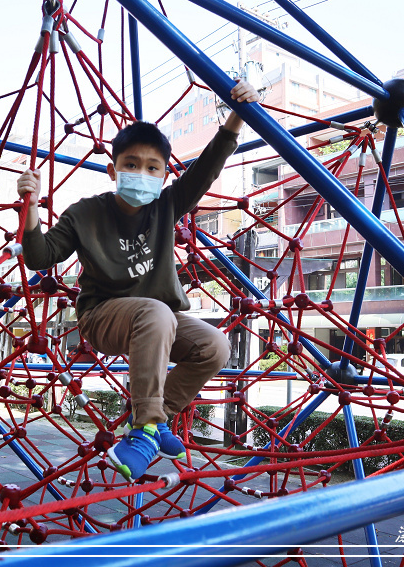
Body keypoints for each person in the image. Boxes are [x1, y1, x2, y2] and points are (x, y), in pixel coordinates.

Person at [17, 80, 260, 481]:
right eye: (131, 165)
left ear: (164, 175)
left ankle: (156, 420)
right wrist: (30, 211)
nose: (140, 174)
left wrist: (237, 115)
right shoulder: (86, 213)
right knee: (156, 312)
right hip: (102, 317)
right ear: (113, 170)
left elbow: (208, 167)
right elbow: (40, 257)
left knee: (215, 346)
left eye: (152, 168)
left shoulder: (166, 206)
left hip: (157, 318)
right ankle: (145, 428)